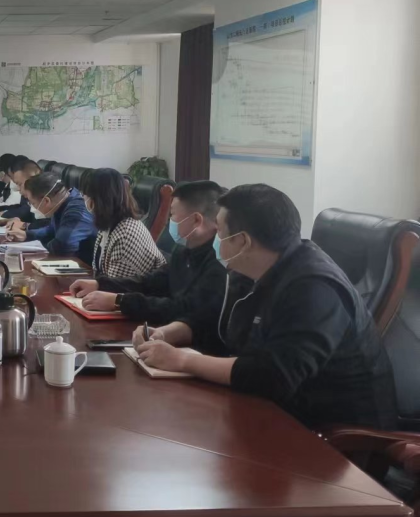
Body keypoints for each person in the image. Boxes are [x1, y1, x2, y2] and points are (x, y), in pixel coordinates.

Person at [133, 184, 397, 430]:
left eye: (220, 231)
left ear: (243, 241)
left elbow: (273, 376)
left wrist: (182, 360)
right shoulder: (256, 269)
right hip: (273, 413)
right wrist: (169, 332)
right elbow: (217, 322)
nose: (216, 237)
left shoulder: (314, 289)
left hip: (335, 437)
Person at [73, 181, 235, 325]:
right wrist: (100, 284)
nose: (170, 221)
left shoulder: (220, 262)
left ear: (196, 220)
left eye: (172, 215)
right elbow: (149, 283)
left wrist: (120, 302)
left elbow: (183, 309)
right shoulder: (183, 250)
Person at [79, 168, 165, 280]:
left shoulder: (124, 236)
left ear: (100, 199)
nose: (83, 198)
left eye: (86, 194)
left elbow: (115, 286)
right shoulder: (108, 225)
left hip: (132, 291)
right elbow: (98, 271)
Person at [7, 171, 96, 262]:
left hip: (85, 265)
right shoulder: (63, 201)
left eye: (33, 203)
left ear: (46, 201)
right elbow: (51, 230)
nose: (32, 207)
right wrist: (27, 235)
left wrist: (35, 250)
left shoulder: (77, 211)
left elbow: (63, 246)